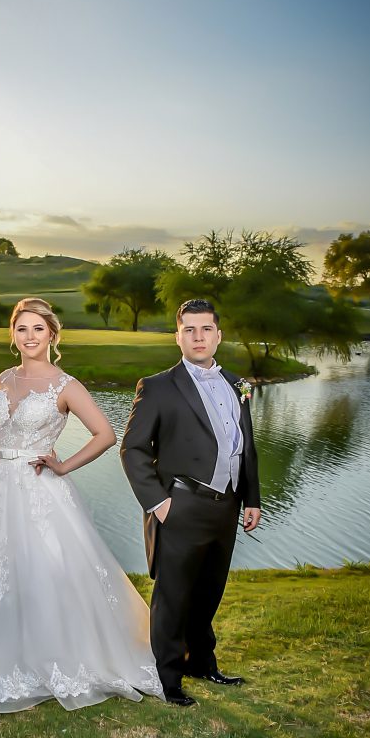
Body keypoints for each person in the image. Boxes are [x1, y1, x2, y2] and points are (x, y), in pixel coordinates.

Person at [0, 297, 164, 712]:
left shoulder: (66, 385)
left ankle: (58, 657)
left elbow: (104, 434)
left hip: (39, 490)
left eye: (37, 329)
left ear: (52, 335)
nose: (29, 337)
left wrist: (64, 465)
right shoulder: (4, 377)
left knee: (45, 570)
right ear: (13, 335)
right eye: (22, 329)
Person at [120, 299, 261, 707]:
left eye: (206, 329)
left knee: (209, 591)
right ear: (178, 336)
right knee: (173, 596)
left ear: (218, 334)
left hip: (227, 507)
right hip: (181, 504)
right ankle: (168, 680)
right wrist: (159, 504)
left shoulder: (239, 384)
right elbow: (132, 450)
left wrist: (251, 497)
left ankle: (202, 662)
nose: (198, 337)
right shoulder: (159, 386)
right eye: (189, 330)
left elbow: (246, 447)